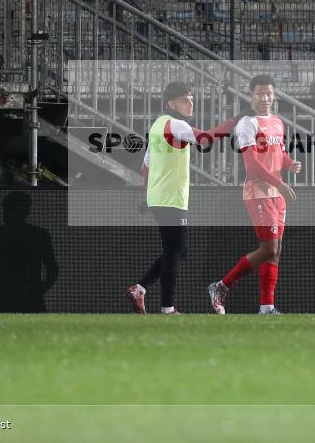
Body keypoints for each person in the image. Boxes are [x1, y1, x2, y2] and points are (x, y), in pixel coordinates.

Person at [126, 82, 234, 314]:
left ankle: (141, 289)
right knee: (176, 250)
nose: (190, 103)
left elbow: (145, 165)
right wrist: (233, 122)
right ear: (171, 103)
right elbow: (206, 139)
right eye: (185, 99)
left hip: (161, 198)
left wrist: (146, 195)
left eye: (192, 98)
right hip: (171, 198)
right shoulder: (176, 124)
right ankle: (166, 307)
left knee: (176, 250)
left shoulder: (158, 125)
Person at [208, 74, 301, 315]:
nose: (265, 98)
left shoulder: (278, 122)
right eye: (260, 93)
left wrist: (290, 163)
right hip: (258, 192)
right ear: (251, 96)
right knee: (269, 249)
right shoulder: (247, 123)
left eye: (269, 93)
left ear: (274, 95)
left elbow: (278, 153)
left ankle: (267, 307)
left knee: (276, 250)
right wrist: (279, 183)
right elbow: (252, 165)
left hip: (276, 194)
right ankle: (221, 286)